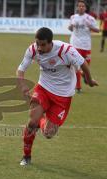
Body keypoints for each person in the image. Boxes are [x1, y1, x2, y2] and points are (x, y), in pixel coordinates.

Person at [17, 27, 98, 166]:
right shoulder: (32, 49)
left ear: (50, 43)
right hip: (43, 88)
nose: (39, 47)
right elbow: (21, 69)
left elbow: (83, 64)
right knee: (31, 123)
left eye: (43, 44)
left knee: (48, 134)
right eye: (37, 43)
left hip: (63, 95)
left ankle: (41, 119)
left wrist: (89, 81)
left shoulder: (66, 50)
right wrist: (23, 85)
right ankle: (26, 156)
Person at [68, 0, 99, 93]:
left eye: (83, 6)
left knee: (86, 67)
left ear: (85, 8)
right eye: (79, 6)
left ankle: (85, 76)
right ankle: (78, 87)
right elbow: (69, 28)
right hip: (75, 44)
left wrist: (90, 26)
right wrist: (71, 26)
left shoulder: (90, 18)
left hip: (86, 45)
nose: (81, 8)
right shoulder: (73, 17)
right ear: (77, 7)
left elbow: (97, 30)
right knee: (77, 66)